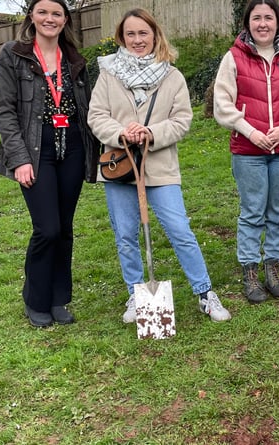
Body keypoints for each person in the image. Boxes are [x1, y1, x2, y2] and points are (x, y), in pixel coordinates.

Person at [87, 8, 231, 323]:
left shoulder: (172, 76)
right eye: (130, 34)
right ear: (121, 38)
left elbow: (182, 120)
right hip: (120, 168)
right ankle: (136, 295)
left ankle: (205, 293)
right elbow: (96, 116)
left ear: (155, 35)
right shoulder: (108, 75)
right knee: (125, 235)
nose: (137, 40)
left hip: (161, 167)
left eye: (143, 33)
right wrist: (121, 132)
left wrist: (150, 133)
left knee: (180, 230)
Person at [0, 0, 99, 327]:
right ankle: (34, 299)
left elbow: (90, 108)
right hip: (36, 149)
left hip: (73, 147)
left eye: (56, 13)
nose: (49, 19)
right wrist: (20, 159)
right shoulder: (13, 54)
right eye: (43, 12)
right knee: (47, 228)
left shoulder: (76, 60)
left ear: (65, 19)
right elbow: (4, 112)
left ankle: (57, 299)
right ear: (32, 16)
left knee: (64, 229)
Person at [213, 0, 279, 304]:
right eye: (256, 18)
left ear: (278, 22)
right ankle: (250, 272)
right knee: (252, 211)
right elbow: (222, 104)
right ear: (247, 23)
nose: (262, 24)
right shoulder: (234, 58)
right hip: (248, 150)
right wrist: (251, 132)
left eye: (268, 18)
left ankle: (273, 268)